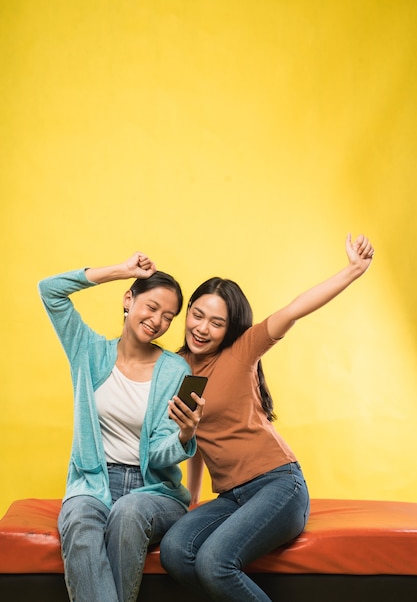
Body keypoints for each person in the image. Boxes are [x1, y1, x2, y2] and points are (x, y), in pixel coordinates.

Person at [160, 233, 374, 602]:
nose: (202, 328)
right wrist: (193, 497)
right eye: (197, 315)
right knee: (175, 551)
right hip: (232, 496)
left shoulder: (243, 351)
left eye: (216, 322)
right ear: (188, 309)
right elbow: (193, 438)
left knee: (214, 562)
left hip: (279, 486)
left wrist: (352, 271)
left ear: (229, 329)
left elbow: (295, 309)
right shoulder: (175, 366)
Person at [38, 252, 204, 602]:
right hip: (93, 481)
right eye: (152, 307)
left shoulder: (174, 370)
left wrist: (185, 436)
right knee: (79, 519)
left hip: (153, 490)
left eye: (168, 317)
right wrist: (121, 271)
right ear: (129, 299)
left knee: (129, 513)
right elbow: (49, 290)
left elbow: (159, 453)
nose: (157, 321)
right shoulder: (89, 351)